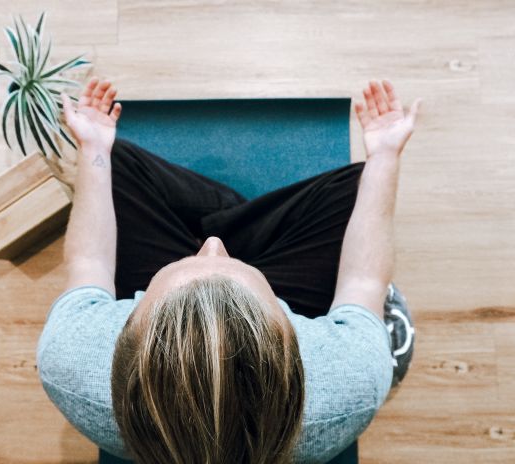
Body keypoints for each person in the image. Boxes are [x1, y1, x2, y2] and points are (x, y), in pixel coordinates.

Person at [36, 76, 420, 464]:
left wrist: (94, 147)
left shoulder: (71, 360)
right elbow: (364, 281)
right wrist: (386, 155)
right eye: (231, 264)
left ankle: (228, 212)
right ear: (293, 335)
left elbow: (90, 263)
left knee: (114, 162)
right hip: (303, 297)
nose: (214, 247)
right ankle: (242, 218)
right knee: (357, 189)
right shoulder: (347, 383)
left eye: (198, 259)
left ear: (125, 334)